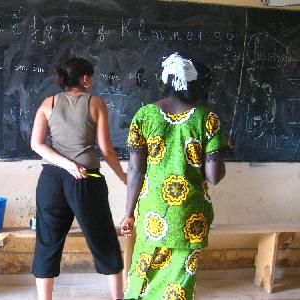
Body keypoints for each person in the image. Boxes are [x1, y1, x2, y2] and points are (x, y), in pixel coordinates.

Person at [120, 53, 228, 300]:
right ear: (193, 83)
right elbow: (214, 176)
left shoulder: (145, 115)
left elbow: (136, 170)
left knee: (143, 276)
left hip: (152, 213)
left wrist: (128, 214)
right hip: (190, 216)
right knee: (179, 282)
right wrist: (219, 152)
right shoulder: (207, 119)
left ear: (165, 82)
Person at [30, 57, 126, 300]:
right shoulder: (96, 103)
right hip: (86, 180)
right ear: (85, 79)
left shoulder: (47, 103)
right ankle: (118, 298)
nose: (92, 82)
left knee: (47, 241)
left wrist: (64, 164)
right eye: (91, 77)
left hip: (51, 181)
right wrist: (124, 177)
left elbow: (37, 144)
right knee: (103, 239)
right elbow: (106, 150)